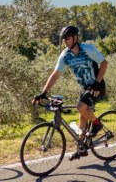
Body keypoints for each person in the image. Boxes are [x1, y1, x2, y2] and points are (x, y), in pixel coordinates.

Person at [34, 25, 108, 159]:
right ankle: (82, 148)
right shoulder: (65, 56)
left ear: (75, 38)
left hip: (96, 85)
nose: (64, 41)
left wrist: (97, 83)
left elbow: (104, 63)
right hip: (84, 88)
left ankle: (97, 124)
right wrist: (44, 92)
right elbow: (55, 74)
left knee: (80, 107)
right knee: (82, 118)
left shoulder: (87, 49)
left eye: (66, 38)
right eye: (63, 39)